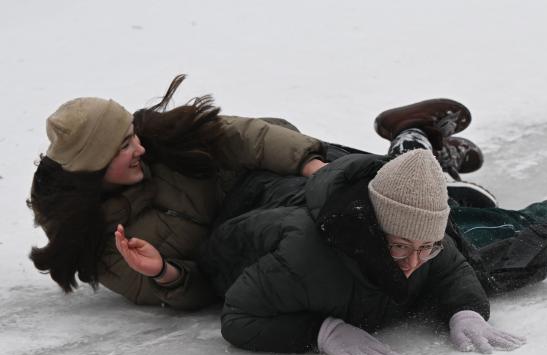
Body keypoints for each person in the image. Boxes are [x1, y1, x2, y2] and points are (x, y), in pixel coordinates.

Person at [197, 135, 547, 355]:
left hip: (340, 185)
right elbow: (239, 317)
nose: (414, 262)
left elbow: (453, 270)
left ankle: (421, 152)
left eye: (427, 247)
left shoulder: (422, 246)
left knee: (469, 255)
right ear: (373, 230)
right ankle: (415, 145)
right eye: (400, 247)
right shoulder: (304, 256)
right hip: (242, 193)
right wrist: (320, 331)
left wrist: (465, 310)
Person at [28, 75, 330, 309]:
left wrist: (309, 164)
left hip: (267, 174)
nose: (140, 148)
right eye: (124, 146)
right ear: (94, 167)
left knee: (349, 177)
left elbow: (243, 136)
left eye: (132, 136)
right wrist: (163, 272)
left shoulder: (160, 137)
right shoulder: (96, 243)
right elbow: (206, 287)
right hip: (254, 237)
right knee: (325, 228)